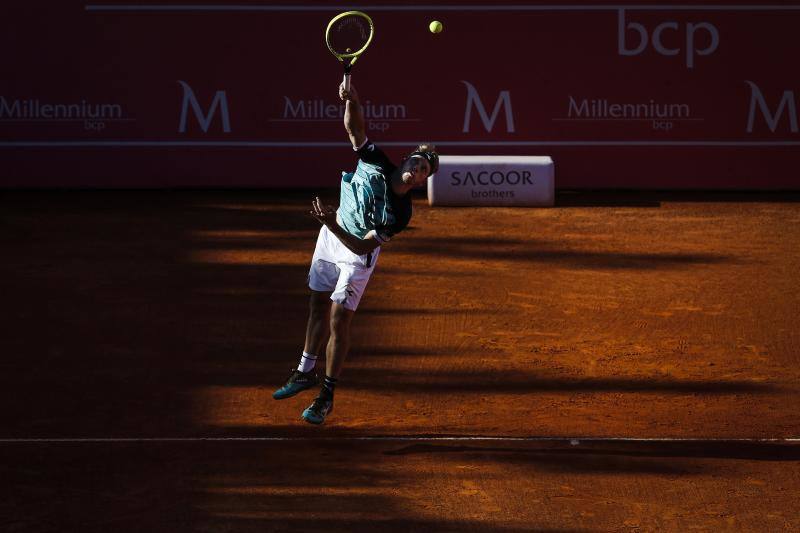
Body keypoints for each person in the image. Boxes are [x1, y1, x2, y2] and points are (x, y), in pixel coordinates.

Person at [272, 81, 438, 424]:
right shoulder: (375, 159)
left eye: (424, 171)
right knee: (316, 305)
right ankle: (304, 371)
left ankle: (326, 395)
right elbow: (354, 128)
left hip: (354, 253)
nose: (418, 170)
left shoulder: (401, 213)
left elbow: (362, 246)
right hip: (329, 235)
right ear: (406, 157)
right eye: (419, 162)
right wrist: (353, 99)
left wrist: (331, 223)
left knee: (338, 318)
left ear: (421, 181)